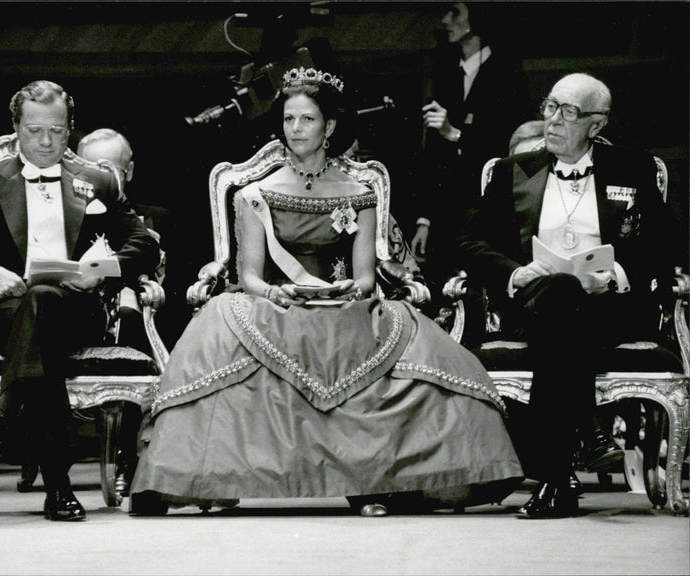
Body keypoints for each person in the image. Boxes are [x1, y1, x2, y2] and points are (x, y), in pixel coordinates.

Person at [129, 66, 523, 517]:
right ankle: (219, 478)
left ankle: (379, 480)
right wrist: (276, 295)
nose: (296, 129)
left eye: (307, 120)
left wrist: (344, 290)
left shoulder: (359, 192)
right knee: (219, 322)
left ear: (329, 127)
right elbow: (251, 275)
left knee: (409, 337)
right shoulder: (255, 193)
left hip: (341, 305)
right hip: (273, 304)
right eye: (289, 119)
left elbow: (365, 279)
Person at [0, 80, 160, 521]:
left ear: (69, 130)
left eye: (57, 132)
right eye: (34, 131)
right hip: (0, 312)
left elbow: (143, 244)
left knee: (44, 300)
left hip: (78, 311)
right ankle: (58, 489)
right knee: (39, 312)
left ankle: (4, 411)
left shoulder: (98, 181)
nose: (46, 142)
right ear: (16, 129)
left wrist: (96, 271)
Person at [457, 73, 676, 518]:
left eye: (569, 112)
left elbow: (665, 244)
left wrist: (614, 274)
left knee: (565, 300)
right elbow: (469, 242)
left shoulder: (634, 169)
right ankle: (588, 433)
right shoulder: (510, 171)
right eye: (551, 106)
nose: (553, 120)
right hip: (532, 305)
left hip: (610, 310)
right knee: (558, 291)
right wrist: (517, 272)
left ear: (596, 125)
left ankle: (556, 476)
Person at [409, 2, 526, 291]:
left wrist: (456, 134)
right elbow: (432, 154)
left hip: (486, 211)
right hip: (446, 213)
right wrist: (424, 220)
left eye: (455, 12)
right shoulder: (446, 73)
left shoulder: (506, 74)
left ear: (476, 18)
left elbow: (507, 146)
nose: (445, 20)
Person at [76, 128, 158, 497]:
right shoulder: (69, 216)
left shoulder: (151, 220)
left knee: (132, 319)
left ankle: (130, 457)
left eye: (109, 168)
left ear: (129, 171)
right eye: (89, 168)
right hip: (77, 313)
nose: (101, 177)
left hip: (137, 317)